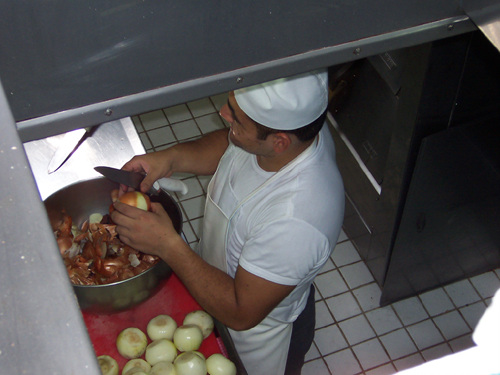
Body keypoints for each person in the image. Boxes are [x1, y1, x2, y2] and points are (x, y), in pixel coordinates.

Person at [111, 69, 345, 375]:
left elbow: (240, 312)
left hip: (254, 332)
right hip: (219, 278)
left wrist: (167, 244)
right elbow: (233, 144)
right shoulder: (293, 134)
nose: (222, 114)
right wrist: (172, 158)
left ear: (279, 142)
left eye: (235, 116)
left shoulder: (296, 221)